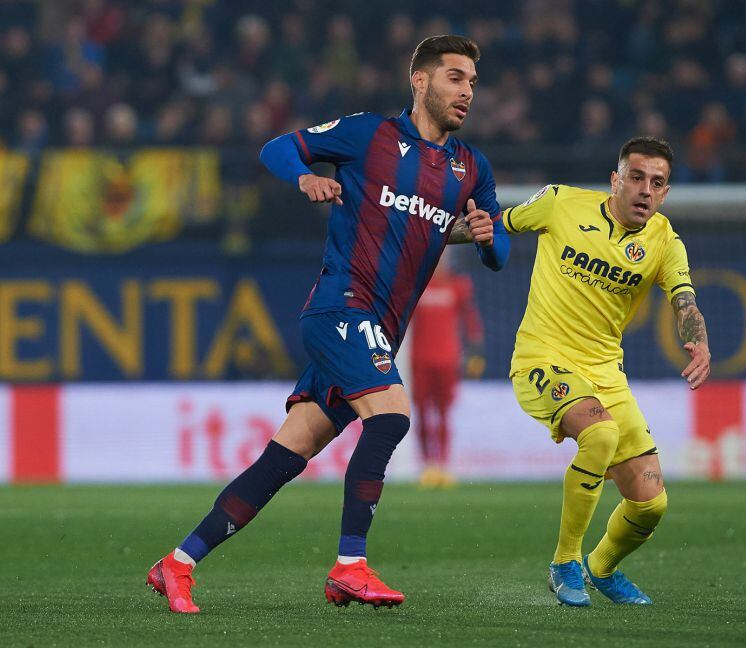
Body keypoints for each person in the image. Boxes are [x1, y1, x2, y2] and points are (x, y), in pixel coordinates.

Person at [146, 34, 509, 614]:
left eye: (472, 82)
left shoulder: (471, 168)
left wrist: (491, 240)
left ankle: (178, 562)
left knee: (284, 458)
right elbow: (277, 148)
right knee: (391, 417)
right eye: (454, 77)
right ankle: (350, 566)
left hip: (379, 330)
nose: (467, 91)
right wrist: (304, 178)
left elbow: (499, 250)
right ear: (420, 81)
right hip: (341, 307)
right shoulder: (369, 134)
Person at [502, 137, 710, 606]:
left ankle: (601, 567)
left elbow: (684, 298)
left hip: (605, 374)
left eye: (657, 183)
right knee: (599, 435)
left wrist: (697, 337)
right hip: (542, 358)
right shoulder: (559, 203)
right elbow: (492, 225)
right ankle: (564, 562)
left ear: (665, 193)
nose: (645, 191)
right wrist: (424, 229)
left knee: (651, 502)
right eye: (636, 178)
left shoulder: (663, 240)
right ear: (615, 181)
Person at [408, 255, 485, 488]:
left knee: (443, 413)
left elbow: (471, 319)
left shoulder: (458, 286)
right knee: (421, 412)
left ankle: (442, 464)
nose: (440, 262)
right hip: (419, 359)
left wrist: (476, 350)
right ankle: (426, 465)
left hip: (447, 360)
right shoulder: (417, 286)